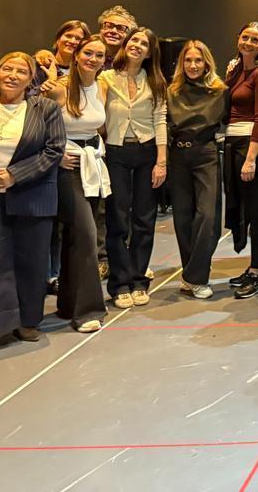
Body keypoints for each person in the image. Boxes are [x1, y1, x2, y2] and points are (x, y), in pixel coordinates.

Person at [0, 52, 66, 360]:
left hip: (32, 194)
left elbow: (54, 149)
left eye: (21, 71)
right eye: (7, 68)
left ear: (31, 79)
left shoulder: (46, 108)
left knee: (31, 262)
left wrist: (15, 175)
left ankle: (26, 321)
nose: (12, 75)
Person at [102, 27, 168, 309]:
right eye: (134, 40)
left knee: (144, 218)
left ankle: (139, 280)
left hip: (147, 152)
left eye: (144, 43)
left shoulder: (155, 81)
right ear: (125, 45)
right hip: (115, 151)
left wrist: (161, 162)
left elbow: (160, 121)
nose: (138, 46)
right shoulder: (106, 78)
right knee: (117, 219)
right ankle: (119, 284)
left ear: (150, 52)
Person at [47, 35, 109, 333]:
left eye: (99, 55)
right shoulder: (58, 89)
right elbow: (37, 126)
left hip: (92, 165)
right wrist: (56, 154)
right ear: (76, 55)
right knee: (86, 234)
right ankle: (88, 311)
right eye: (88, 53)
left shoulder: (102, 86)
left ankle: (68, 303)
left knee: (77, 236)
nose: (93, 59)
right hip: (68, 169)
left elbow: (97, 127)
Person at [166, 40, 227, 300]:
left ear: (207, 63)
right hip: (177, 155)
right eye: (188, 60)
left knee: (207, 216)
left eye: (198, 60)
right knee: (182, 218)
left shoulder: (219, 91)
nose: (193, 65)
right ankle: (193, 275)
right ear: (182, 63)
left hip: (206, 153)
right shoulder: (171, 91)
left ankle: (196, 276)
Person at [223, 24, 258, 300]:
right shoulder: (234, 71)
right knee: (244, 208)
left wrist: (251, 158)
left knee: (257, 212)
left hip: (251, 146)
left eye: (255, 40)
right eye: (245, 37)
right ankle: (255, 265)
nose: (249, 43)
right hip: (233, 144)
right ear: (237, 39)